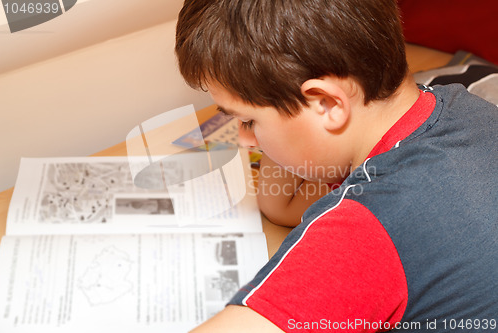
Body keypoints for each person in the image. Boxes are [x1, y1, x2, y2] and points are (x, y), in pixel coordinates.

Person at [175, 0, 498, 332]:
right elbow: (281, 206)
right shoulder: (461, 107)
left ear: (328, 103)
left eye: (247, 121)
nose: (245, 141)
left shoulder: (366, 226)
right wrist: (278, 107)